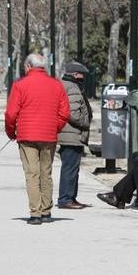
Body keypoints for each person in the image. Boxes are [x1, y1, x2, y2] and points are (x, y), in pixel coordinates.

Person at [4, 53, 70, 225]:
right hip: (48, 136)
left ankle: (35, 213)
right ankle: (47, 211)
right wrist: (55, 127)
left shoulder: (20, 85)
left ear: (27, 66)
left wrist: (11, 132)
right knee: (45, 173)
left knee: (32, 174)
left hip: (27, 136)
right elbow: (65, 113)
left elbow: (11, 113)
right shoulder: (56, 85)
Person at [56, 62, 93, 210]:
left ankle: (71, 197)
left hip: (70, 133)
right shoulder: (71, 87)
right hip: (71, 133)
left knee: (72, 168)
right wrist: (86, 123)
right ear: (75, 74)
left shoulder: (66, 85)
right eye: (81, 74)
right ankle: (65, 199)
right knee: (70, 168)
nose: (83, 77)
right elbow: (72, 113)